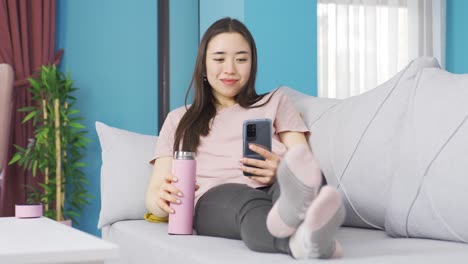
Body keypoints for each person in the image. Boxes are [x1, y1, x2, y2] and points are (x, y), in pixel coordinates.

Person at [145, 17, 345, 259]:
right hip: (217, 201)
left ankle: (305, 234)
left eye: (241, 59)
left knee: (308, 179)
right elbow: (154, 194)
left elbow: (304, 162)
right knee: (247, 200)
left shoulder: (276, 101)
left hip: (276, 191)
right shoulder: (179, 119)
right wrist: (162, 200)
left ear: (252, 64)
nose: (230, 69)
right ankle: (299, 237)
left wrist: (282, 171)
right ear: (203, 65)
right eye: (219, 59)